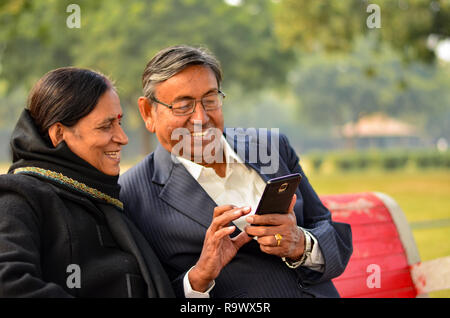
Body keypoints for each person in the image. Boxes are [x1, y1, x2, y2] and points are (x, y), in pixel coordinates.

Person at [119, 45, 353, 298]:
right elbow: (148, 293)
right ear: (147, 112)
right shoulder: (131, 194)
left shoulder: (272, 146)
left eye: (210, 100)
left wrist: (300, 244)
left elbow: (333, 239)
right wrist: (199, 277)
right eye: (183, 106)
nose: (201, 118)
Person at [0, 67, 174, 297]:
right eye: (105, 126)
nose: (122, 138)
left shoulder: (105, 200)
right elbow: (8, 284)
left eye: (119, 122)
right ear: (59, 134)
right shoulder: (19, 196)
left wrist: (198, 279)